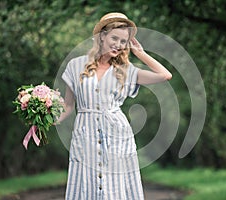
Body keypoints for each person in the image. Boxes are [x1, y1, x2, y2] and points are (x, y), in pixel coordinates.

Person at [58, 12, 172, 200]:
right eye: (114, 38)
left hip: (117, 135)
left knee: (115, 188)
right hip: (85, 133)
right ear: (102, 36)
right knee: (85, 184)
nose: (118, 45)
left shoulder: (126, 71)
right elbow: (68, 106)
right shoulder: (75, 65)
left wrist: (141, 54)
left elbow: (165, 75)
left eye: (123, 41)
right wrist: (46, 120)